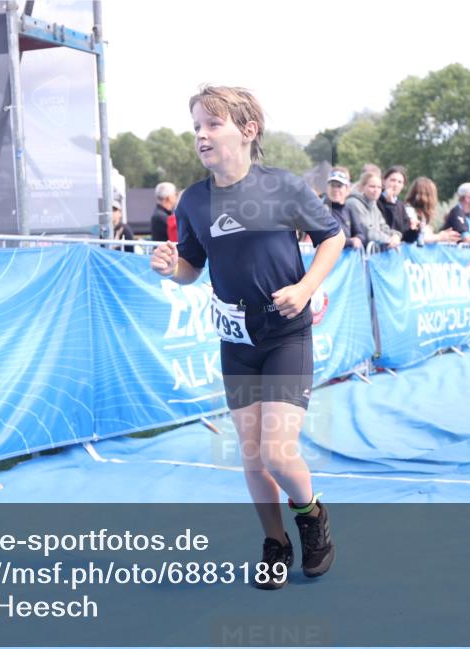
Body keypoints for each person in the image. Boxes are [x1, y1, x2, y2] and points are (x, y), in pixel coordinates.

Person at [150, 85, 342, 590]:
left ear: (247, 130)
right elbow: (192, 268)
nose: (201, 136)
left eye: (212, 125)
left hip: (285, 334)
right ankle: (275, 543)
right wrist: (173, 268)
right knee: (253, 455)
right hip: (236, 340)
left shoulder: (283, 187)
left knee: (279, 453)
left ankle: (312, 517)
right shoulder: (192, 201)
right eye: (196, 127)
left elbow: (333, 237)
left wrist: (305, 287)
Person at [345, 171, 401, 249]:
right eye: (372, 186)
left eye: (379, 187)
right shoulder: (353, 203)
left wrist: (396, 235)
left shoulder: (373, 203)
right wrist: (389, 240)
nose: (376, 190)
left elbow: (383, 227)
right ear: (362, 187)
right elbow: (367, 232)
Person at [403, 177, 460, 245]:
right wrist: (439, 237)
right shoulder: (409, 211)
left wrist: (441, 236)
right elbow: (417, 238)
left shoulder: (422, 214)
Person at [321, 167, 364, 249]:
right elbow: (327, 237)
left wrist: (358, 239)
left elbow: (360, 233)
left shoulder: (350, 209)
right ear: (327, 188)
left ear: (347, 189)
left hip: (348, 260)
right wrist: (351, 242)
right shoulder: (322, 209)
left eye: (339, 186)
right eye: (332, 185)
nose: (335, 189)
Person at [376, 165, 418, 243]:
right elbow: (387, 227)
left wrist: (415, 229)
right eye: (393, 180)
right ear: (384, 181)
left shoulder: (400, 205)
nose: (396, 184)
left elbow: (406, 235)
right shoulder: (376, 201)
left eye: (399, 182)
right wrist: (389, 205)